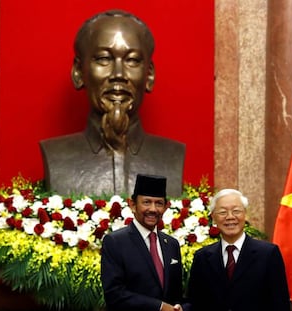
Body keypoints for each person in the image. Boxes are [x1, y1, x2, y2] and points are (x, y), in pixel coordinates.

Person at [40, 10, 185, 197]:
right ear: (78, 72)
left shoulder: (172, 155)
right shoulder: (56, 156)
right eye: (104, 59)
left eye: (132, 60)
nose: (118, 74)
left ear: (149, 75)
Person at [187, 189, 290, 311]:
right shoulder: (202, 257)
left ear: (245, 215)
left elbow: (280, 303)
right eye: (222, 212)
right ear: (213, 217)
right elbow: (195, 303)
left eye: (236, 211)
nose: (230, 217)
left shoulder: (268, 254)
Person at [101, 174, 187, 311]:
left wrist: (180, 307)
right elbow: (114, 294)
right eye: (147, 202)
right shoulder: (115, 242)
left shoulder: (171, 244)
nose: (153, 209)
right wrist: (160, 307)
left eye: (159, 203)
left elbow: (177, 293)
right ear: (133, 205)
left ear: (165, 207)